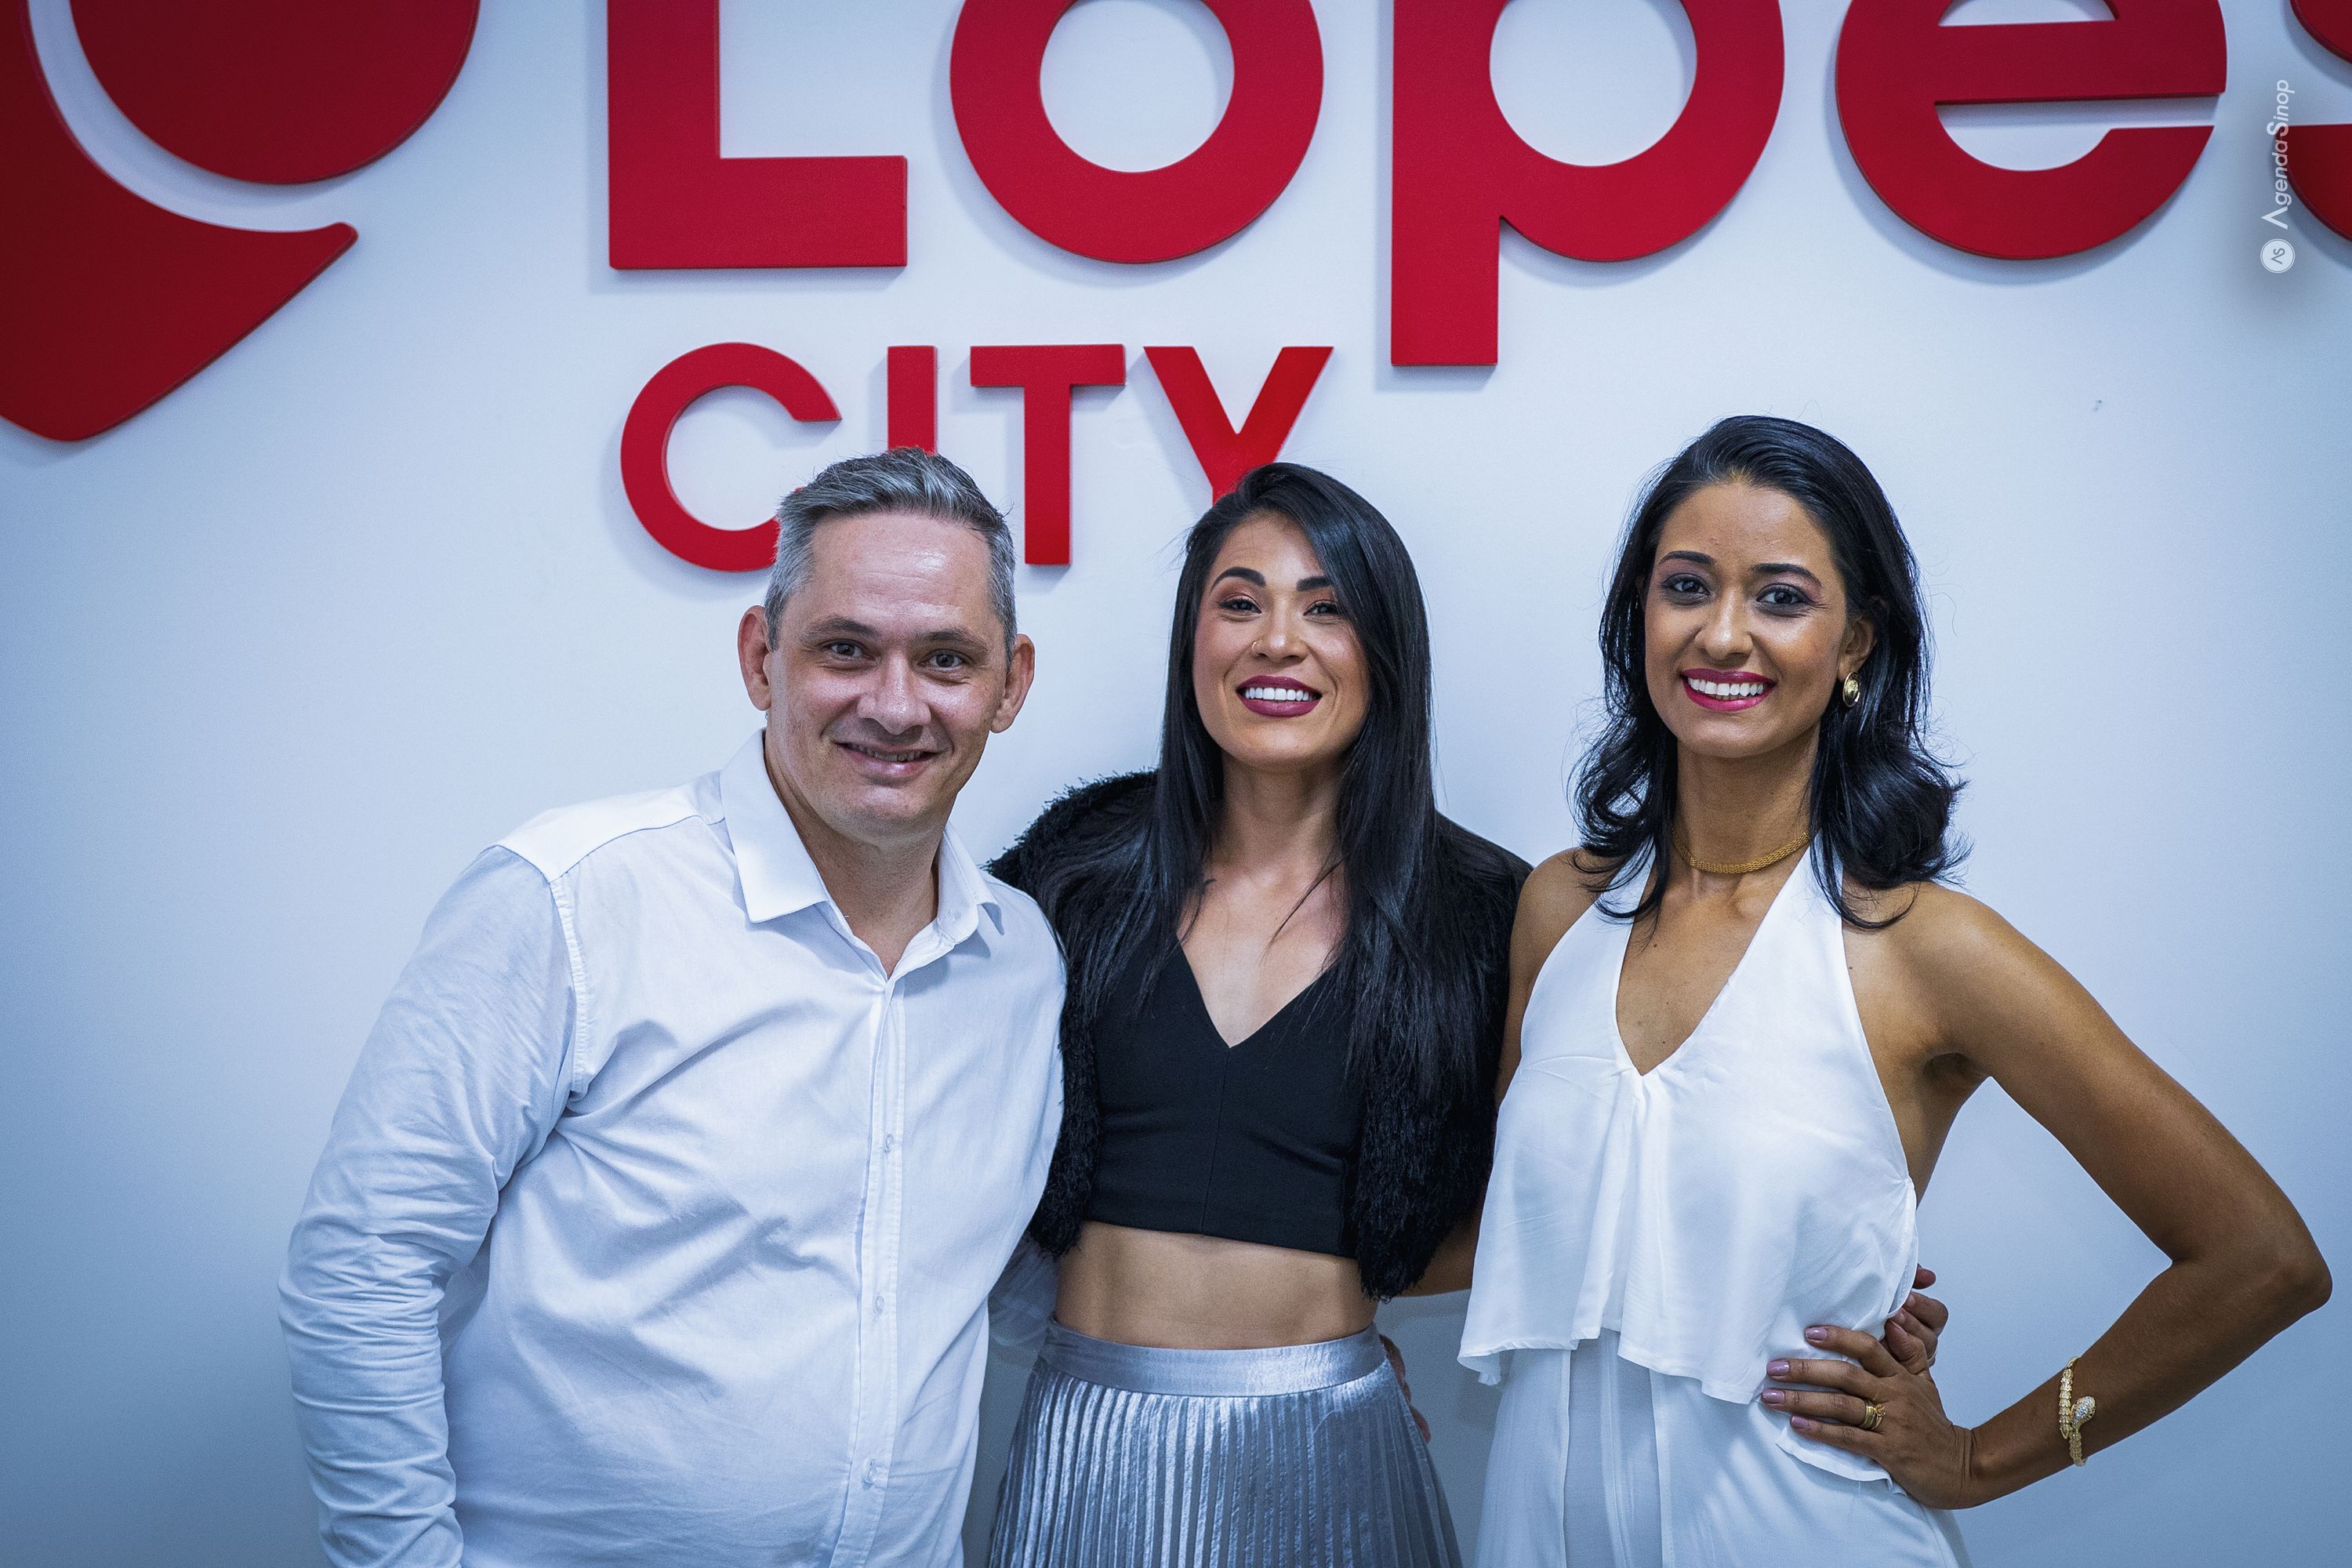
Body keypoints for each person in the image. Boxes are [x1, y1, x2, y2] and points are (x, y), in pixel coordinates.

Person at [1463, 416, 2332, 1567]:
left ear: (1856, 644)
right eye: (1687, 586)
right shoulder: (1560, 908)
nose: (1723, 633)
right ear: (1640, 614)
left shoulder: (1923, 948)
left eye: (1781, 598)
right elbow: (1513, 1224)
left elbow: (2262, 1258)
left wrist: (1978, 1460)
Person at [278, 449, 1063, 1568]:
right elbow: (364, 1265)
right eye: (846, 649)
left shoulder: (1019, 961)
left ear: (1010, 685)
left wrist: (1270, 1342)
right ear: (760, 658)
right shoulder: (574, 899)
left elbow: (996, 1279)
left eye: (946, 659)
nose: (895, 706)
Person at [982, 464, 1526, 1566]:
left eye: (1327, 609)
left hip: (1331, 1442)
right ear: (1192, 640)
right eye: (1240, 603)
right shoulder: (1071, 874)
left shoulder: (1477, 914)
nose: (1278, 641)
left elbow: (1558, 1179)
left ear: (1387, 650)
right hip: (1086, 1443)